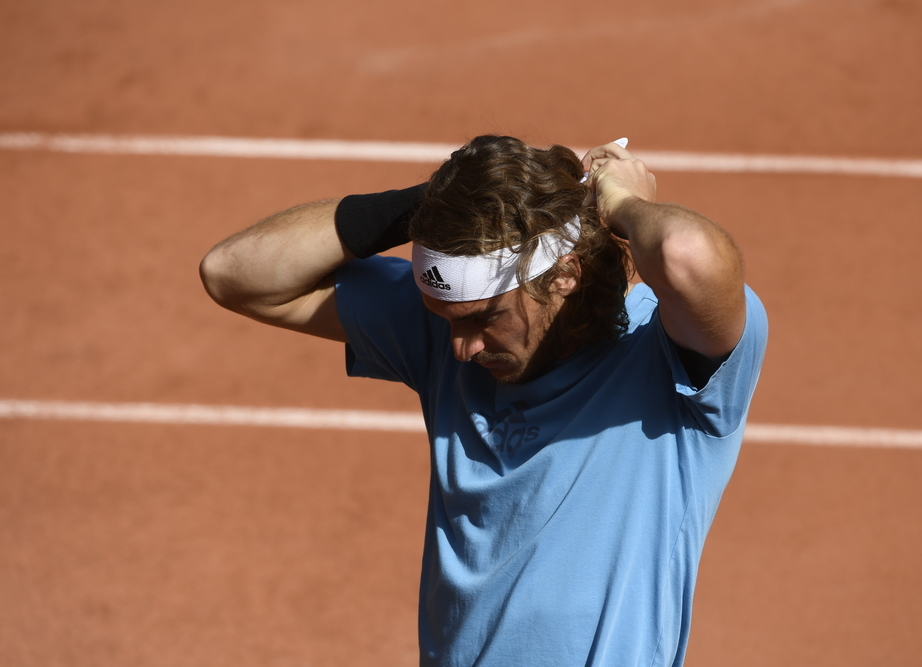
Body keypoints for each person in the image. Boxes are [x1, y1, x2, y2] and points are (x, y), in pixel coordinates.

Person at [200, 135, 767, 666]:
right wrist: (438, 205)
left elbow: (688, 253)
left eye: (485, 319)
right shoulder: (447, 335)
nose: (462, 348)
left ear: (565, 274)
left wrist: (619, 201)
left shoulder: (670, 358)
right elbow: (232, 273)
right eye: (445, 320)